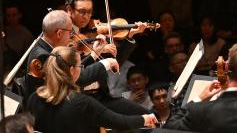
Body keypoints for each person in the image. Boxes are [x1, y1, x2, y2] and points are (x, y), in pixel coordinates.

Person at [26, 46, 158, 133]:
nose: (82, 69)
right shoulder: (82, 103)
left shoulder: (33, 98)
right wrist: (146, 119)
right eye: (80, 66)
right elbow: (120, 122)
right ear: (72, 71)